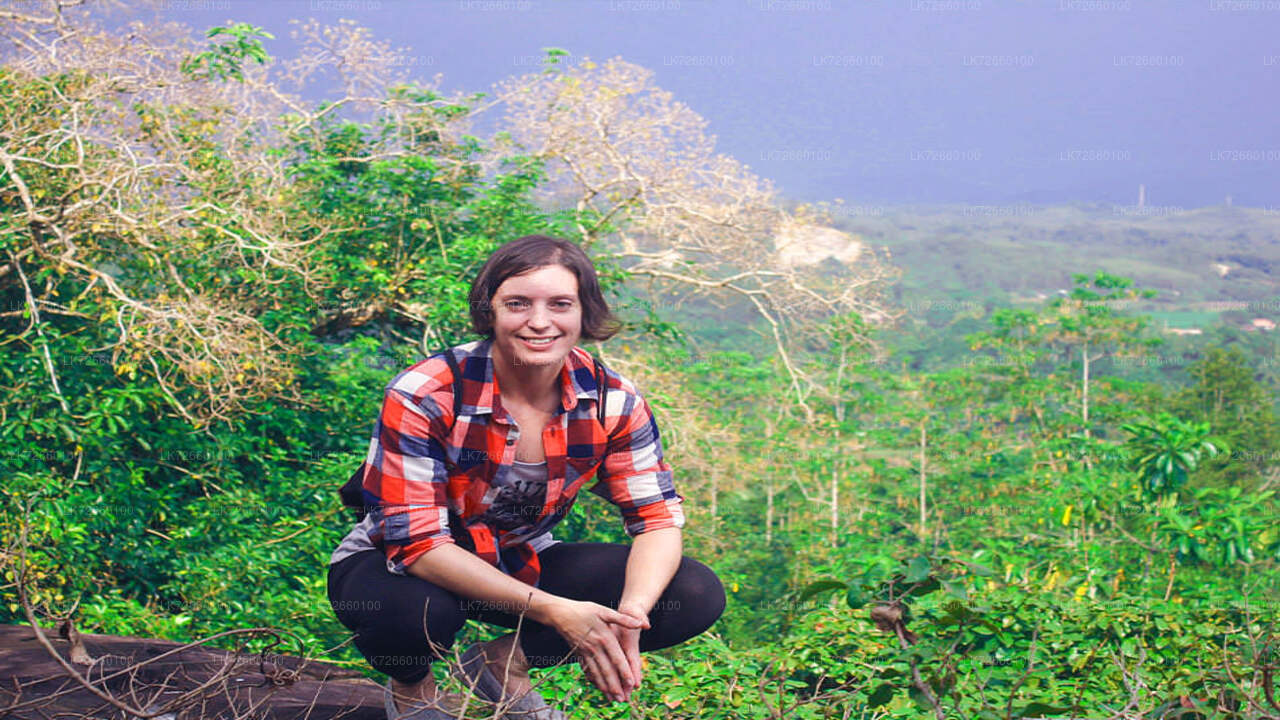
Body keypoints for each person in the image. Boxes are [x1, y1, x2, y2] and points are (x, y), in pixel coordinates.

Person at [326, 235, 726, 720]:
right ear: (490, 310)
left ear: (584, 313)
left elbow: (657, 518)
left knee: (693, 592)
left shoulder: (612, 400)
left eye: (560, 304)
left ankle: (499, 665)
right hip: (397, 564)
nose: (540, 322)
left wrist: (632, 616)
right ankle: (413, 688)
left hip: (518, 559)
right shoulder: (427, 392)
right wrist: (556, 611)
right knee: (419, 614)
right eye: (517, 304)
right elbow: (419, 544)